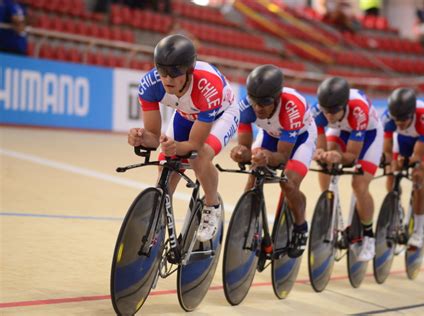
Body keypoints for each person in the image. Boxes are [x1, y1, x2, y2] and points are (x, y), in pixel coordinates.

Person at [128, 34, 239, 242]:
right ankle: (159, 218)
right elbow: (153, 137)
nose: (168, 79)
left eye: (175, 72)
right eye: (163, 71)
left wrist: (175, 148)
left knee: (199, 156)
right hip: (187, 114)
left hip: (220, 115)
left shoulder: (208, 87)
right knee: (165, 167)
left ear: (189, 71)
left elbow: (194, 145)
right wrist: (141, 138)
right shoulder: (150, 85)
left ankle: (211, 206)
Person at [230, 64, 317, 258]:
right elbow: (244, 148)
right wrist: (239, 152)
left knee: (289, 182)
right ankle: (246, 224)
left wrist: (267, 157)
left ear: (277, 98)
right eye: (255, 102)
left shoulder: (291, 108)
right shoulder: (246, 107)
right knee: (254, 171)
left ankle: (301, 227)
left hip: (301, 139)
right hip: (270, 134)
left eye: (265, 103)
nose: (258, 108)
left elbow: (282, 158)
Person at [312, 77, 383, 262]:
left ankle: (369, 236)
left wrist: (339, 157)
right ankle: (328, 205)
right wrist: (322, 153)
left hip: (369, 136)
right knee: (326, 162)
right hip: (340, 130)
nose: (328, 115)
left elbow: (351, 155)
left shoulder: (358, 110)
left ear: (344, 105)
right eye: (325, 111)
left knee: (359, 185)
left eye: (334, 111)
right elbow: (320, 139)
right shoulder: (319, 108)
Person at [382, 88, 424, 248]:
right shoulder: (388, 117)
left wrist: (407, 161)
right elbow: (387, 149)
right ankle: (396, 208)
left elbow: (418, 155)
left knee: (418, 175)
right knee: (391, 172)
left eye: (403, 120)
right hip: (402, 138)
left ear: (412, 114)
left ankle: (419, 229)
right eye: (397, 121)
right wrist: (392, 163)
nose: (399, 124)